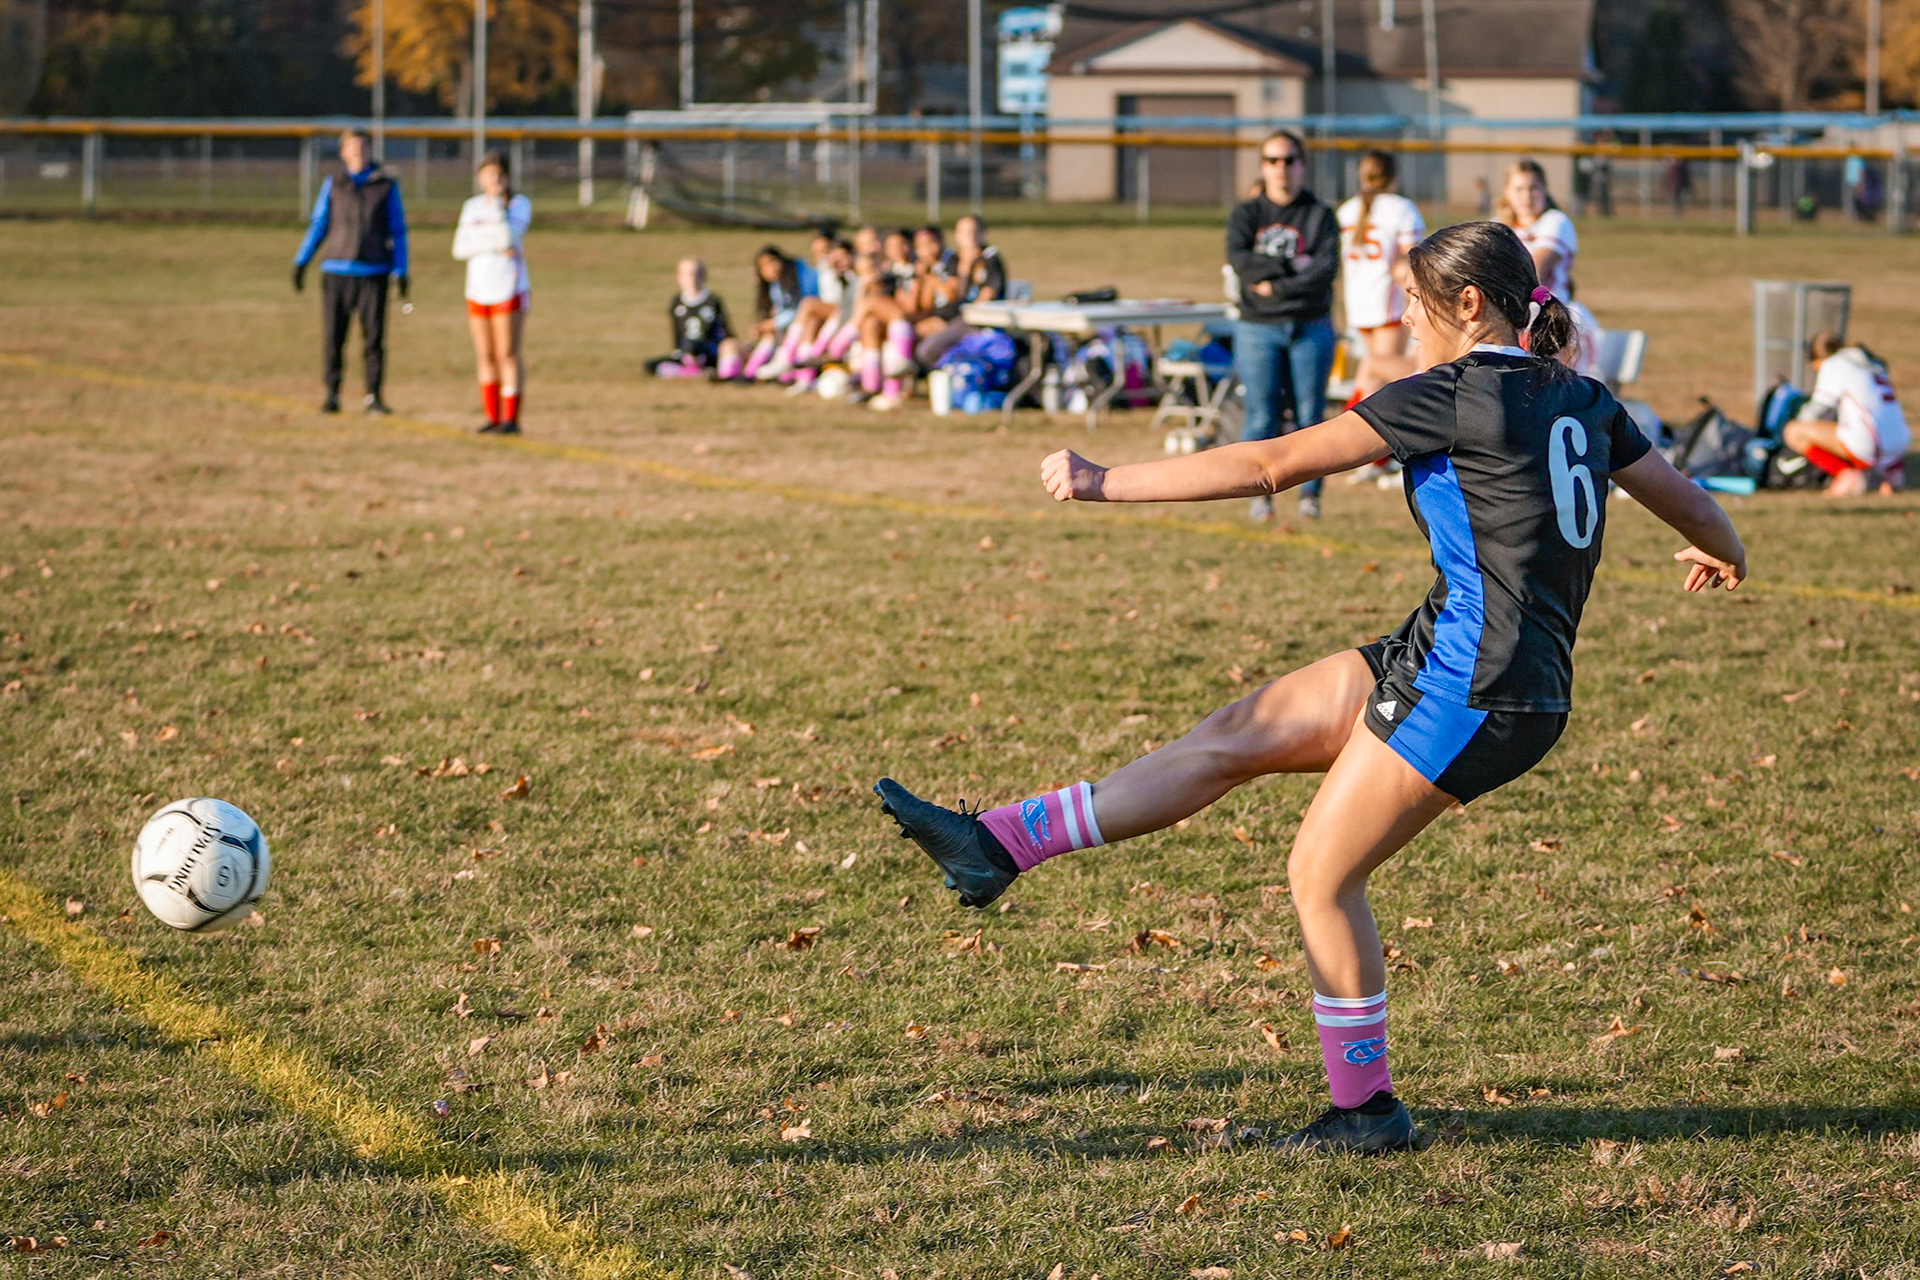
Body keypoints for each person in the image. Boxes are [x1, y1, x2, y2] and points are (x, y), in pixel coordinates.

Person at [874, 219, 1748, 1154]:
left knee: (1321, 875)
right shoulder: (1584, 396)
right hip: (1454, 652)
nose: (1403, 317)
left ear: (1467, 304)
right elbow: (1691, 503)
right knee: (1238, 733)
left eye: (1414, 301)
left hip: (1479, 686)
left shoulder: (1452, 394)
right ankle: (996, 844)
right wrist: (1725, 551)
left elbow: (1268, 465)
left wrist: (1103, 480)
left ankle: (1365, 1112)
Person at [1227, 130, 1341, 520]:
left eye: (1289, 160)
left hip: (1310, 325)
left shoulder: (1320, 214)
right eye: (1273, 160)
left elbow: (1324, 270)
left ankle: (1310, 496)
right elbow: (1241, 262)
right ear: (1263, 166)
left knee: (1310, 417)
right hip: (1258, 328)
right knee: (1261, 415)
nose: (1281, 168)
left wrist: (1274, 284)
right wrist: (1291, 264)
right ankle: (1257, 494)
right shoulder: (1247, 214)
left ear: (1302, 165)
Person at [292, 128, 409, 415]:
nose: (358, 152)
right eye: (353, 148)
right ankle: (332, 395)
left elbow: (398, 230)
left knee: (374, 339)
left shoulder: (385, 185)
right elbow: (320, 224)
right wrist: (302, 261)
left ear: (370, 151)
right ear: (343, 152)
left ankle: (373, 397)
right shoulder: (334, 184)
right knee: (334, 337)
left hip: (374, 271)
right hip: (337, 270)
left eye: (363, 147)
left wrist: (401, 269)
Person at [450, 150, 531, 434]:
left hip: (508, 287)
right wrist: (492, 243)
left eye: (499, 175)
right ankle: (492, 417)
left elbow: (509, 238)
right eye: (488, 175)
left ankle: (511, 419)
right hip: (478, 289)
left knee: (506, 353)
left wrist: (497, 207)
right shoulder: (472, 207)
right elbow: (460, 248)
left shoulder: (518, 204)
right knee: (485, 354)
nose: (494, 180)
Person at [1336, 150, 1426, 400]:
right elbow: (1411, 263)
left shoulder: (1346, 209)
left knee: (1377, 371)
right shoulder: (1401, 208)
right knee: (1384, 372)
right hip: (1388, 301)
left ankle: (1364, 417)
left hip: (1358, 303)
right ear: (1394, 177)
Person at [1785, 332, 1910, 495]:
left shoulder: (1834, 364)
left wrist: (1798, 419)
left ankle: (1845, 474)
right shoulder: (1873, 364)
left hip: (1868, 444)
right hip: (1900, 443)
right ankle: (1892, 472)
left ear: (1819, 359)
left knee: (1793, 431)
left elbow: (1817, 409)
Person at [914, 214, 1008, 370]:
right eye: (964, 232)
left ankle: (955, 373)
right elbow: (953, 295)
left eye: (974, 231)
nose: (970, 237)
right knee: (913, 333)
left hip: (977, 320)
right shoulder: (955, 259)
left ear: (983, 233)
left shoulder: (989, 259)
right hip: (953, 316)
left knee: (927, 350)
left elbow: (987, 295)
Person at [647, 258, 742, 381]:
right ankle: (692, 372)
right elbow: (677, 332)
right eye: (687, 274)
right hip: (686, 353)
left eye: (696, 273)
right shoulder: (677, 302)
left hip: (707, 353)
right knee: (650, 365)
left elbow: (724, 331)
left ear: (704, 276)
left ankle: (705, 370)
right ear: (679, 277)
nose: (692, 278)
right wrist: (681, 353)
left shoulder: (712, 301)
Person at [1496, 159, 1576, 304]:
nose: (1527, 196)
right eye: (1519, 189)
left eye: (1533, 188)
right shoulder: (1496, 226)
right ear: (1507, 191)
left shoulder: (1556, 220)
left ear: (1545, 189)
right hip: (1509, 307)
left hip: (1549, 310)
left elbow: (1537, 270)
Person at [741, 246, 808, 380]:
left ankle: (754, 372)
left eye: (773, 262)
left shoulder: (796, 279)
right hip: (782, 333)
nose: (771, 268)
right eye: (764, 266)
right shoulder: (772, 287)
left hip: (800, 329)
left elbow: (798, 309)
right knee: (768, 335)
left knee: (769, 333)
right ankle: (750, 372)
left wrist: (773, 323)